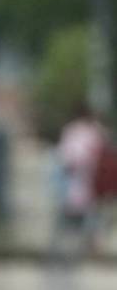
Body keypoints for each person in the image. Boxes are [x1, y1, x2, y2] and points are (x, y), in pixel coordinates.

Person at [55, 103, 108, 256]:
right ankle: (79, 244)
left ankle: (87, 244)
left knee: (89, 213)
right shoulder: (82, 131)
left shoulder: (91, 131)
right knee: (77, 212)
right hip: (78, 179)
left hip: (89, 179)